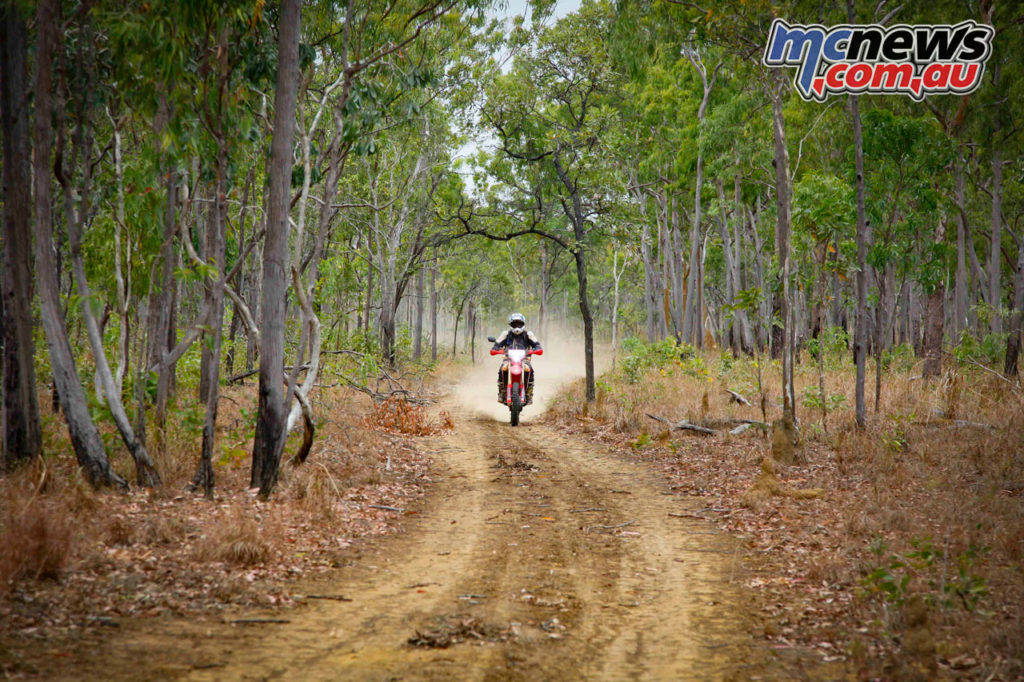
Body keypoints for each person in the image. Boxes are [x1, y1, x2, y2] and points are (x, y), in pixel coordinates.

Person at [490, 313, 543, 404]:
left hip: (524, 359)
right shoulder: (506, 334)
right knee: (502, 368)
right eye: (514, 324)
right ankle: (501, 392)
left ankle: (529, 394)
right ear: (511, 325)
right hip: (508, 359)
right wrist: (495, 349)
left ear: (523, 324)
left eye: (519, 324)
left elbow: (536, 344)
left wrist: (536, 349)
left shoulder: (528, 334)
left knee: (530, 370)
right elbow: (497, 344)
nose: (517, 326)